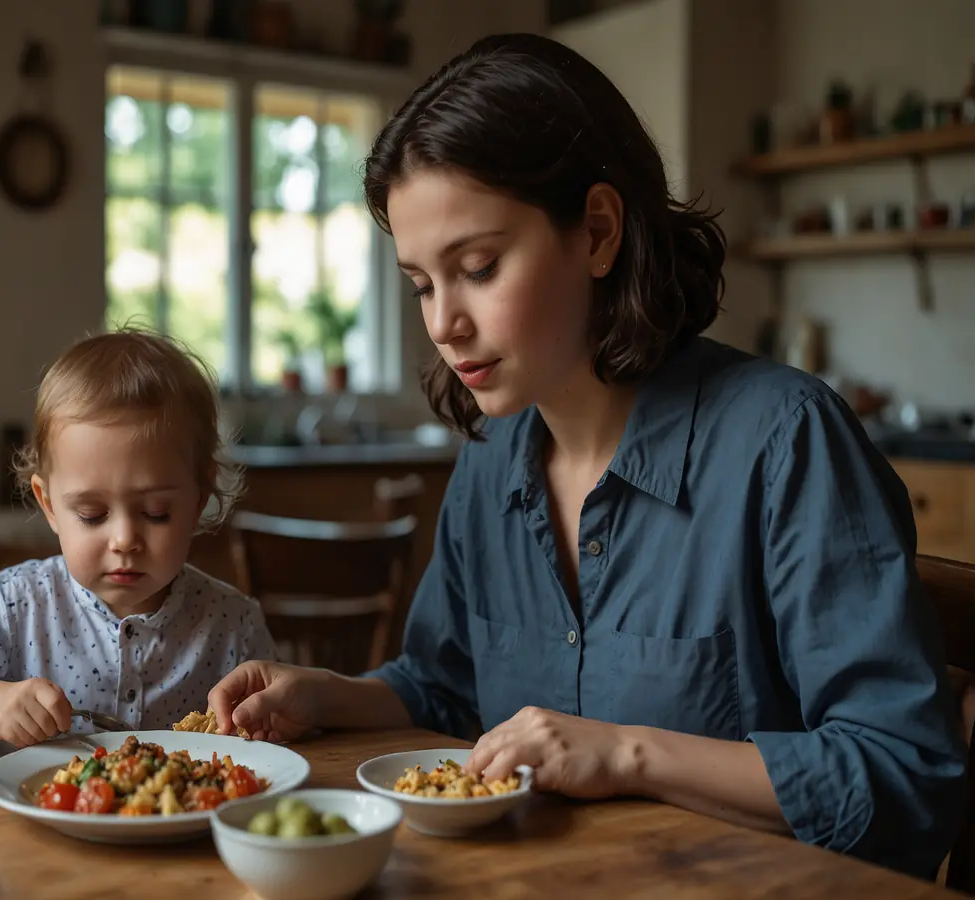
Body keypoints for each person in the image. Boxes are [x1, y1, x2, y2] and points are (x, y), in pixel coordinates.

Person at [208, 33, 966, 879]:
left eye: (480, 267)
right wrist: (327, 695)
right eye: (423, 283)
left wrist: (628, 754)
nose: (442, 323)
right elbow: (449, 690)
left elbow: (905, 777)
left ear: (599, 232)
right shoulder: (491, 458)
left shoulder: (786, 444)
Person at [0, 328, 275, 757]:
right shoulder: (11, 607)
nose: (125, 539)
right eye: (92, 515)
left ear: (198, 501)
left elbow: (275, 738)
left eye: (156, 513)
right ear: (49, 506)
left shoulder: (234, 625)